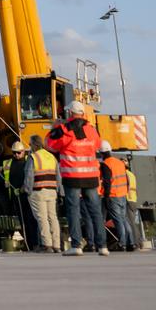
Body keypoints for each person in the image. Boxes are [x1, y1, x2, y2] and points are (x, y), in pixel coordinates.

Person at [46, 100, 108, 256]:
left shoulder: (63, 129)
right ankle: (102, 246)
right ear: (83, 113)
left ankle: (76, 245)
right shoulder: (92, 130)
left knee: (73, 210)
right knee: (95, 211)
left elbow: (50, 145)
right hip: (91, 177)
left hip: (72, 177)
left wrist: (54, 127)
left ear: (70, 113)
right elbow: (97, 145)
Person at [23, 134, 63, 253]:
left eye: (30, 144)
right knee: (53, 218)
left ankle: (47, 245)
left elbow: (29, 176)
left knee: (42, 218)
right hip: (52, 191)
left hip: (38, 192)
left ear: (34, 145)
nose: (29, 146)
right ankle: (57, 245)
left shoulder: (33, 157)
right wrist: (60, 191)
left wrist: (27, 191)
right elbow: (58, 176)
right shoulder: (51, 156)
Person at [3, 141, 39, 250]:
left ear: (23, 151)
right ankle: (28, 243)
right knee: (22, 221)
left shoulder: (29, 161)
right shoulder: (8, 163)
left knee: (31, 220)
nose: (16, 155)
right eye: (14, 153)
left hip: (27, 195)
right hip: (16, 197)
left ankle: (35, 243)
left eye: (18, 152)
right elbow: (4, 178)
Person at [99, 142, 135, 251]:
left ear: (102, 153)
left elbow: (107, 182)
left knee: (118, 221)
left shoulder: (105, 164)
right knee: (124, 220)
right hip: (122, 195)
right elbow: (126, 179)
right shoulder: (119, 163)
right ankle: (131, 243)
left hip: (113, 195)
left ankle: (122, 243)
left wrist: (106, 196)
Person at [125, 161, 145, 249]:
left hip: (128, 199)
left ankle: (136, 243)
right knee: (133, 222)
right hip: (133, 199)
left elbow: (125, 186)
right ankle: (139, 242)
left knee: (130, 223)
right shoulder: (131, 174)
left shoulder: (125, 174)